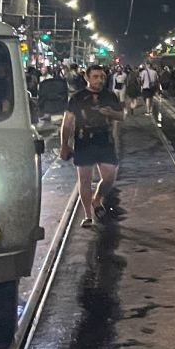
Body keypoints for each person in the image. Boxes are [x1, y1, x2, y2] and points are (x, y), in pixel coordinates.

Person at [60, 65, 125, 227]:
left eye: (102, 77)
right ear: (87, 78)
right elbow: (67, 123)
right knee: (85, 179)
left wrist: (111, 113)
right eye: (95, 77)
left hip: (105, 140)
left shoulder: (110, 95)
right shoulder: (77, 98)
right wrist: (64, 145)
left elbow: (122, 116)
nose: (99, 80)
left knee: (110, 176)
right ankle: (88, 215)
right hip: (84, 141)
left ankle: (97, 200)